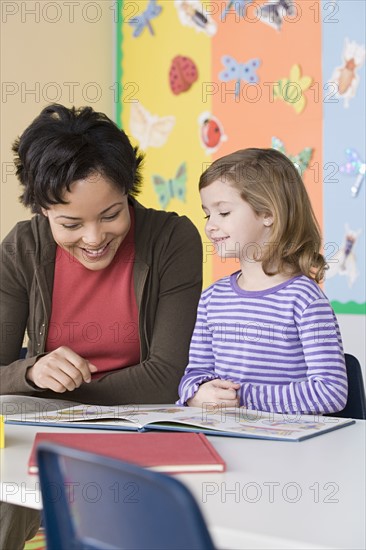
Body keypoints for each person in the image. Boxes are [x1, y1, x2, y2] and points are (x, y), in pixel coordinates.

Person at [0, 103, 202, 549]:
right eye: (70, 224)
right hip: (47, 424)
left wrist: (49, 392)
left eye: (111, 215)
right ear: (42, 212)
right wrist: (32, 371)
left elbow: (166, 378)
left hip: (146, 423)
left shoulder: (172, 240)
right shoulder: (22, 248)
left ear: (129, 192)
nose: (94, 239)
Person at [177, 148, 348, 415]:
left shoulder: (304, 298)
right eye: (207, 214)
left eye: (223, 213)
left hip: (290, 448)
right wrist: (196, 394)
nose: (210, 226)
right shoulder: (212, 298)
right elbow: (195, 374)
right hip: (226, 436)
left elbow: (331, 391)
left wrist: (243, 397)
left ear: (268, 213)